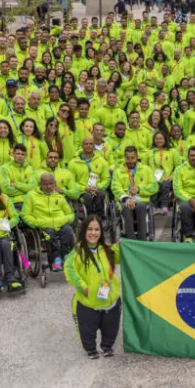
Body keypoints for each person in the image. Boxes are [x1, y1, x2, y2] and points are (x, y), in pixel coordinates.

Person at [64, 215, 121, 359]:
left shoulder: (106, 249)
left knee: (111, 327)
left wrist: (123, 247)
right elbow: (69, 269)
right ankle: (91, 349)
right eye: (89, 229)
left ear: (101, 232)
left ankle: (106, 346)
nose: (93, 233)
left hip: (110, 298)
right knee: (87, 329)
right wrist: (83, 287)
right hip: (88, 301)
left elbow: (120, 257)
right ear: (83, 231)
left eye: (97, 229)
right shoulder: (77, 252)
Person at [22, 173, 76, 271]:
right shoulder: (31, 196)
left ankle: (65, 254)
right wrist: (37, 223)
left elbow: (71, 214)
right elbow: (25, 215)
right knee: (49, 234)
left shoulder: (59, 197)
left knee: (68, 230)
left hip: (60, 223)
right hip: (43, 225)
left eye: (51, 183)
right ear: (40, 184)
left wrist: (62, 220)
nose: (49, 186)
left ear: (55, 183)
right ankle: (56, 259)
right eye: (45, 184)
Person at [112, 146, 158, 241]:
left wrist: (139, 189)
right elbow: (115, 188)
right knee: (126, 206)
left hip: (141, 200)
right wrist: (126, 198)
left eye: (132, 158)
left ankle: (142, 239)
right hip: (125, 201)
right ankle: (131, 239)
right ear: (124, 158)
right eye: (127, 158)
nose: (130, 160)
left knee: (141, 206)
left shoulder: (146, 169)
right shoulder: (118, 172)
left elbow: (154, 187)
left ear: (137, 157)